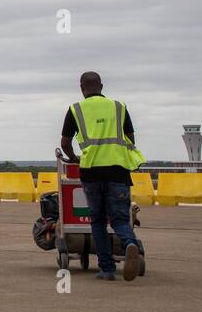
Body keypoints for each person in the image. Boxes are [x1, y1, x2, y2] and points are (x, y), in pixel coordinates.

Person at [61, 71, 146, 281]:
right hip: (118, 170)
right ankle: (130, 244)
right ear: (102, 86)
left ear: (81, 88)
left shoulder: (75, 109)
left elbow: (65, 143)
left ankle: (106, 269)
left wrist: (74, 158)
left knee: (97, 220)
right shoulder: (119, 107)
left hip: (91, 171)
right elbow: (131, 139)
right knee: (119, 218)